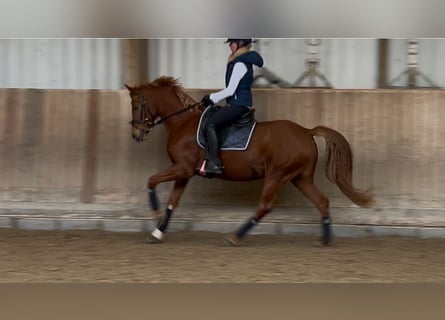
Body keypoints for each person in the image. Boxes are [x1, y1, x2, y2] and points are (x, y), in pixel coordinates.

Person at [200, 38, 264, 175]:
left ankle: (215, 163)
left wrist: (211, 98)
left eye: (232, 42)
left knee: (211, 124)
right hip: (236, 104)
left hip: (239, 106)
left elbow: (230, 90)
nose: (229, 45)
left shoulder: (240, 63)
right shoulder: (238, 61)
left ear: (240, 43)